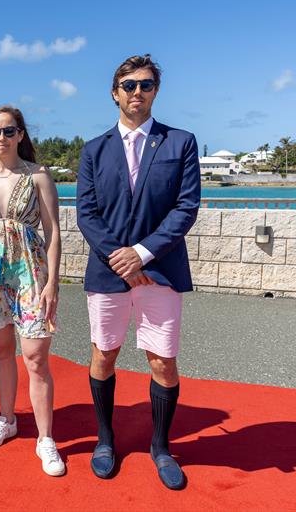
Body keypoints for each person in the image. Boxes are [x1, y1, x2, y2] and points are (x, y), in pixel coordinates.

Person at [76, 55, 200, 490]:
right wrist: (120, 257)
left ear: (156, 91)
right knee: (103, 355)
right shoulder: (93, 149)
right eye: (129, 85)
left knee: (162, 361)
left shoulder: (180, 142)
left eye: (145, 85)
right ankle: (105, 439)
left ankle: (161, 446)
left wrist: (142, 254)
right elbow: (87, 215)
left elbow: (186, 208)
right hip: (109, 273)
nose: (137, 92)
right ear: (115, 92)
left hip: (160, 271)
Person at [0, 106, 65, 476]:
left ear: (21, 134)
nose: (1, 138)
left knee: (35, 356)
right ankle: (8, 419)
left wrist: (53, 282)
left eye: (8, 131)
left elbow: (52, 232)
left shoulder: (38, 175)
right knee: (2, 349)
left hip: (30, 273)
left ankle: (46, 438)